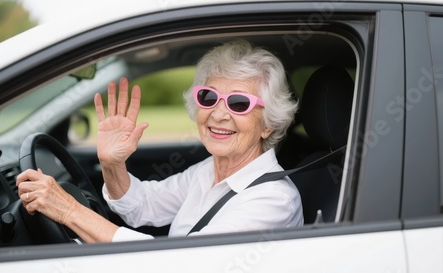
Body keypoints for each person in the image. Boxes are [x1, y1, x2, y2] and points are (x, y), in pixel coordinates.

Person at [16, 39, 303, 243]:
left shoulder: (273, 200)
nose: (218, 113)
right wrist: (112, 164)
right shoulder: (209, 170)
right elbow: (143, 206)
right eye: (209, 97)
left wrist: (69, 210)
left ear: (269, 124)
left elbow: (178, 265)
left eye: (239, 103)